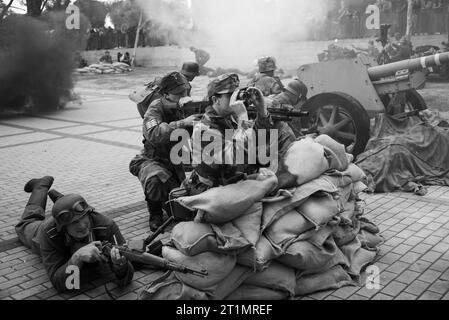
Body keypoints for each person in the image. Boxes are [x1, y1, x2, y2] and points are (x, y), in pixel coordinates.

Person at [15, 176, 134, 293]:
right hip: (40, 232)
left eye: (84, 218)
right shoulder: (50, 233)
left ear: (88, 213)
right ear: (63, 227)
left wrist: (120, 266)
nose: (82, 226)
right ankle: (41, 186)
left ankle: (62, 201)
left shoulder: (106, 225)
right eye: (74, 223)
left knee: (69, 206)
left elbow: (127, 276)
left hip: (66, 216)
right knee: (26, 223)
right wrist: (77, 257)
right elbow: (60, 284)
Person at [183, 73, 284, 195]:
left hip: (235, 180)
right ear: (215, 100)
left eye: (237, 95)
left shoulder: (229, 118)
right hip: (214, 190)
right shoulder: (204, 129)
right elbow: (237, 157)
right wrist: (242, 117)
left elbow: (257, 138)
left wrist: (261, 111)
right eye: (230, 96)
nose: (236, 100)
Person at [129, 72, 202, 231]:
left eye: (186, 92)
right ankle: (154, 213)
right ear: (165, 94)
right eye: (178, 94)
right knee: (155, 179)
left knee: (182, 210)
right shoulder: (155, 108)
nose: (184, 96)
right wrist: (182, 123)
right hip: (153, 160)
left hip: (177, 164)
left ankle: (166, 200)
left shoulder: (187, 106)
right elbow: (155, 133)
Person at [133, 62, 200, 119]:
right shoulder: (184, 85)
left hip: (143, 103)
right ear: (193, 75)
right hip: (155, 108)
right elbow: (184, 105)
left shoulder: (170, 76)